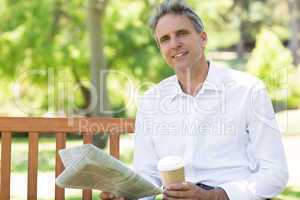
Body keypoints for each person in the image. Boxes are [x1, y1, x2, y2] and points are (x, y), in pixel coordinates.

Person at [101, 0, 289, 199]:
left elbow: (275, 173)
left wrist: (215, 196)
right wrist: (127, 194)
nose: (174, 44)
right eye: (165, 39)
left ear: (203, 38)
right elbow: (147, 175)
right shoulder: (151, 101)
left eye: (182, 33)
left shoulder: (248, 90)